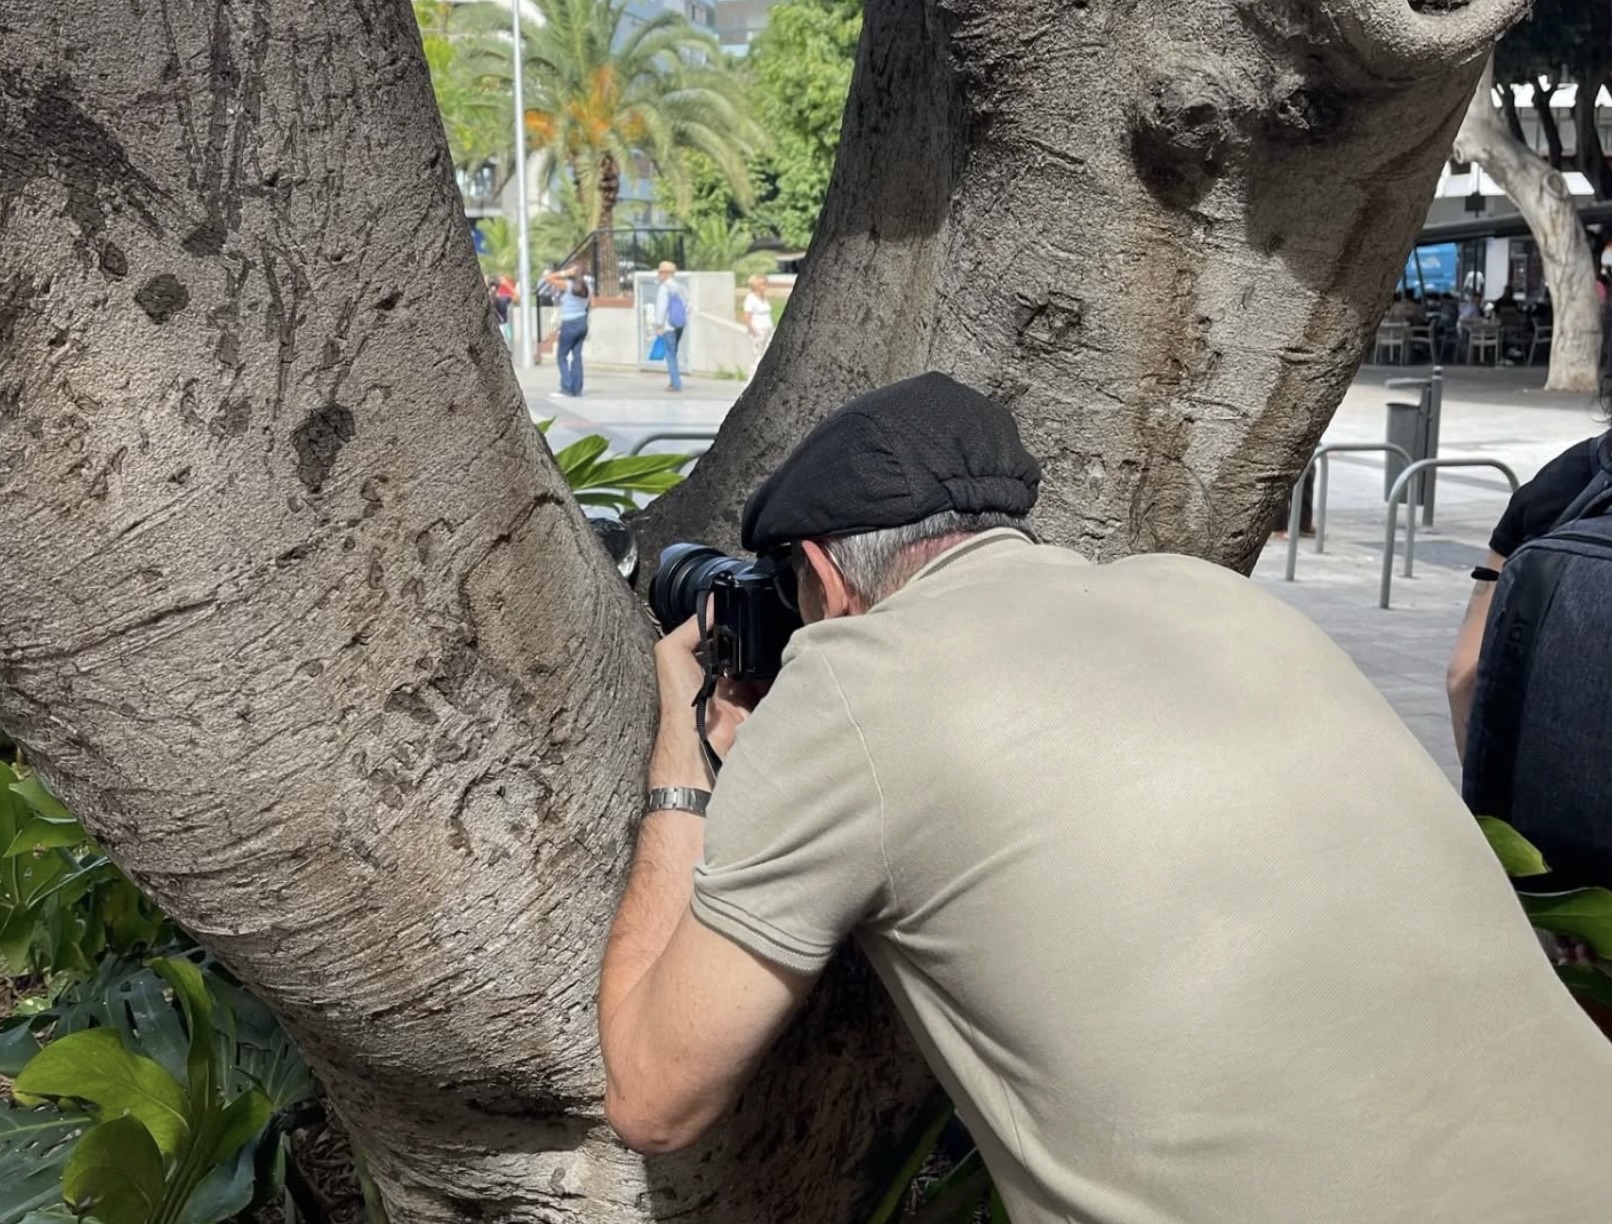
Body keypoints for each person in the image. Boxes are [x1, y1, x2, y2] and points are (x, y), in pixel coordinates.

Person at [598, 372, 1612, 1223]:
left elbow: (653, 1097)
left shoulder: (855, 682)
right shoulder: (1201, 598)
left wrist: (681, 760)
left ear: (821, 571)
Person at [544, 263, 590, 397]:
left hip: (569, 323)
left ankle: (566, 388)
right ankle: (577, 388)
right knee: (577, 356)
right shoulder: (587, 288)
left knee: (561, 356)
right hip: (582, 322)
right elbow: (592, 302)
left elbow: (548, 278)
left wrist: (565, 273)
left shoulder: (568, 286)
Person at [654, 260, 690, 392]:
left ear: (665, 273)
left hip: (669, 326)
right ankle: (673, 381)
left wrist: (659, 325)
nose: (659, 275)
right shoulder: (680, 287)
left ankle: (676, 383)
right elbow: (687, 306)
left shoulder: (664, 288)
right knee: (673, 352)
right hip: (680, 324)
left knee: (670, 354)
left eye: (660, 272)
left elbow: (661, 308)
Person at [742, 274, 773, 377]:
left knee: (766, 354)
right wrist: (753, 330)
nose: (765, 286)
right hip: (759, 330)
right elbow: (747, 315)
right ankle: (752, 378)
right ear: (756, 285)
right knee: (758, 355)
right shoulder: (751, 298)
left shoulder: (763, 298)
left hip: (768, 328)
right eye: (763, 284)